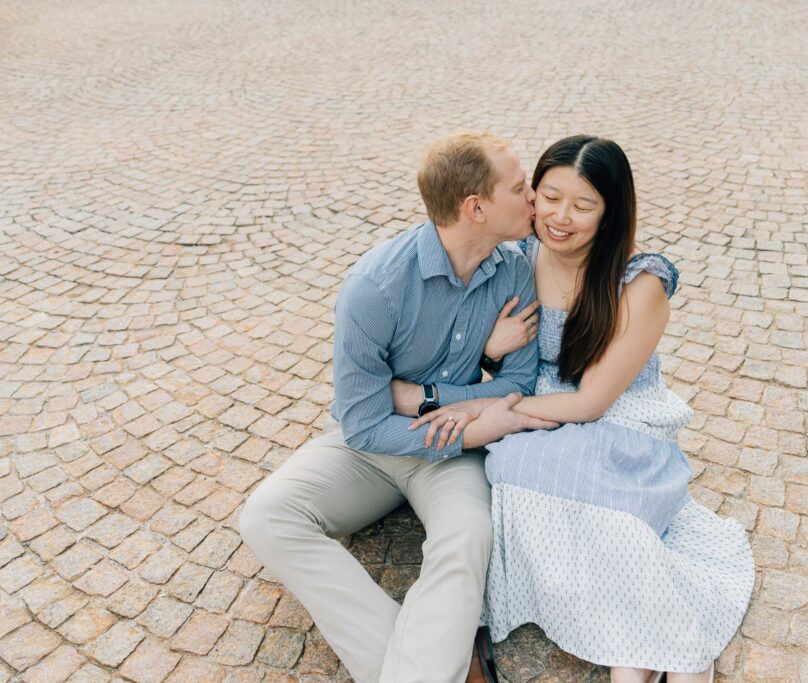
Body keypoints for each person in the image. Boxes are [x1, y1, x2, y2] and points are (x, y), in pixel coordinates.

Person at [408, 135, 755, 683]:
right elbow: (453, 354)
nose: (559, 217)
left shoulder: (639, 286)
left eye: (583, 205)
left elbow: (592, 402)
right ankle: (637, 651)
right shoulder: (515, 261)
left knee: (593, 501)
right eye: (548, 197)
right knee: (512, 474)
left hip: (616, 417)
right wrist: (489, 350)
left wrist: (502, 412)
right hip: (535, 410)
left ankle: (639, 657)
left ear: (611, 212)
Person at [239, 132, 558, 683]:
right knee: (266, 517)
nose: (534, 198)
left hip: (452, 456)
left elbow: (520, 388)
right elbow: (363, 424)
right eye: (520, 187)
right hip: (386, 446)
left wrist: (434, 393)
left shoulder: (517, 272)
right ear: (475, 208)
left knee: (467, 536)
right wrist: (457, 414)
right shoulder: (374, 287)